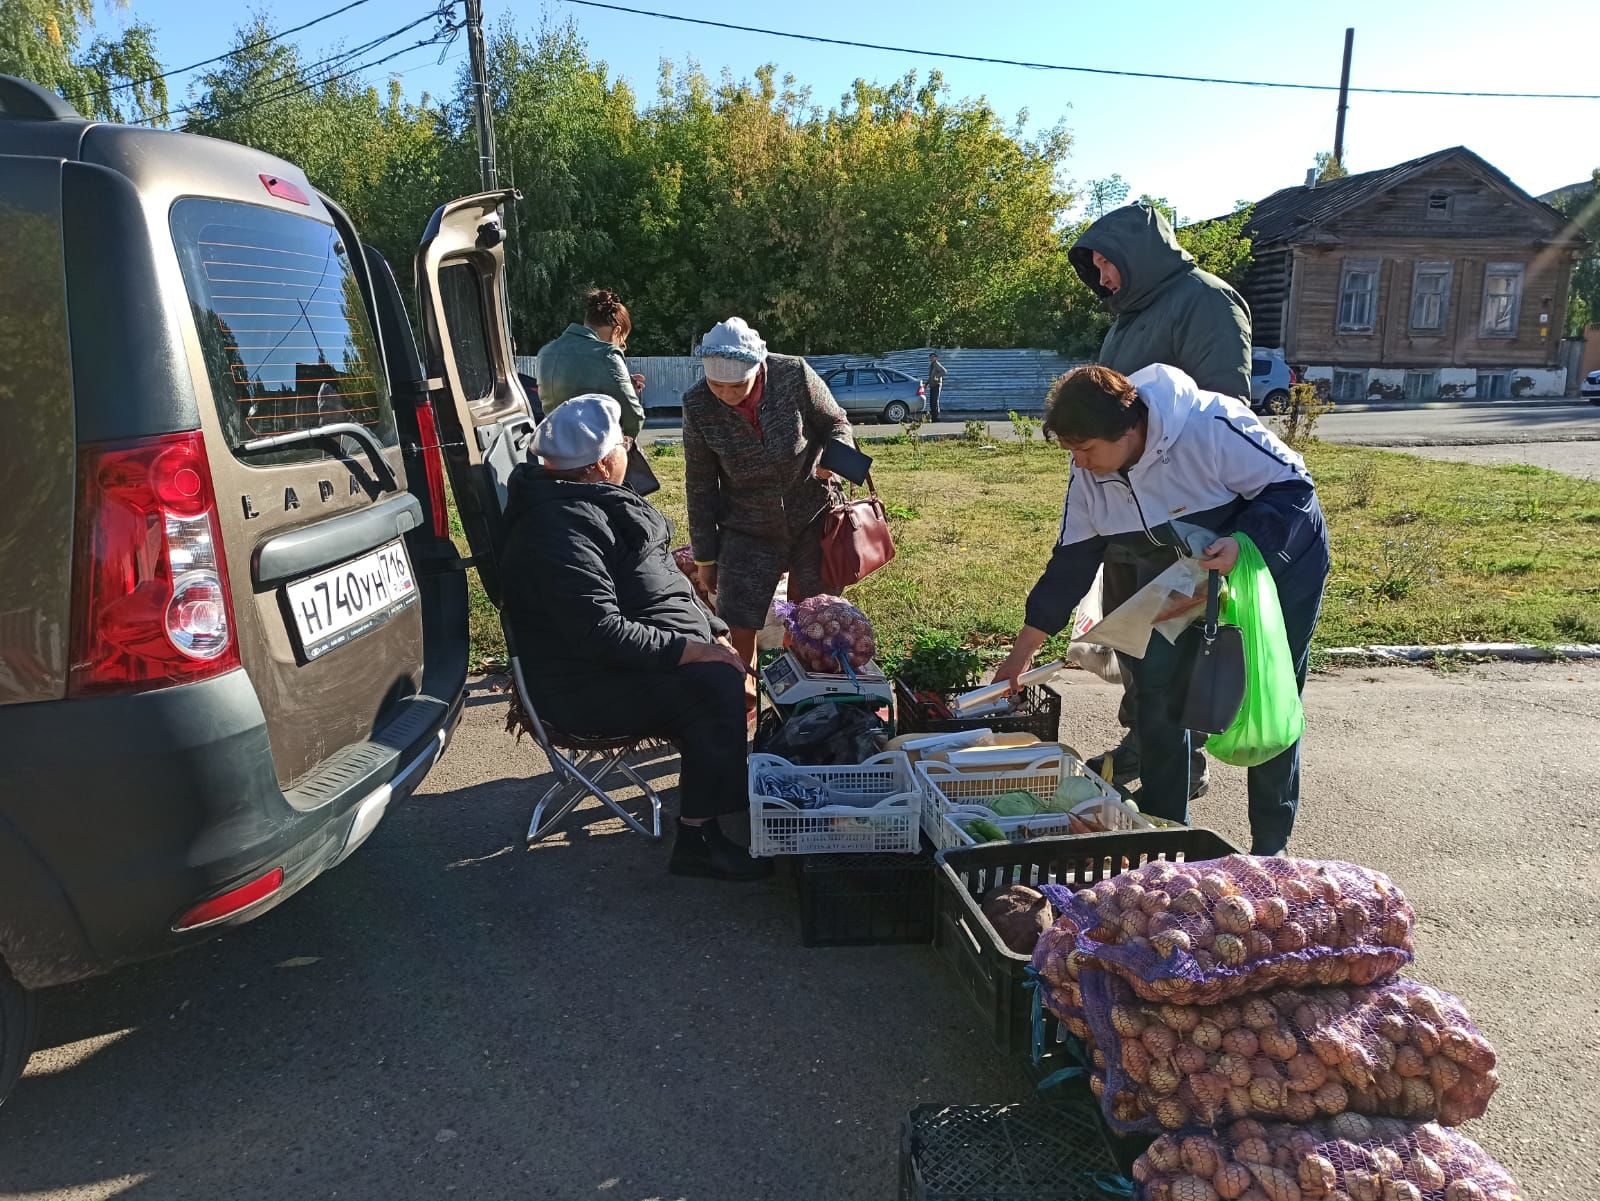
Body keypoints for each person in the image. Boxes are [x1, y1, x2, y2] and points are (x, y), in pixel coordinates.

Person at [993, 365, 1328, 855]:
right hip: (1182, 574)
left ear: (1129, 431)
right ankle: (1168, 836)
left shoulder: (1208, 425)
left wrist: (1246, 542)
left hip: (1273, 565)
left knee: (1268, 692)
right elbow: (1072, 561)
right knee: (1156, 691)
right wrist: (1020, 658)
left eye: (1086, 451)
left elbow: (1295, 488)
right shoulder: (1091, 470)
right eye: (1072, 452)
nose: (1080, 464)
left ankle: (1270, 847)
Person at [499, 394, 771, 881]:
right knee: (716, 686)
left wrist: (713, 632)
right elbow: (598, 631)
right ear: (603, 464)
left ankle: (716, 797)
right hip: (581, 686)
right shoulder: (557, 527)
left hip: (611, 666)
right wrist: (694, 650)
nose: (630, 448)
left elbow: (650, 582)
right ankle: (698, 838)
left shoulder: (583, 503)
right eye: (624, 442)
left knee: (725, 669)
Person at [1068, 201, 1254, 796]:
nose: (1101, 276)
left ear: (1137, 254)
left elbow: (1224, 409)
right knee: (1134, 640)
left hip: (1183, 514)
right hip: (1127, 510)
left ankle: (1181, 765)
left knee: (1174, 644)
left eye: (1106, 262)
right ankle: (1143, 743)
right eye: (1092, 265)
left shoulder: (1207, 301)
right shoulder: (1127, 316)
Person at [682, 317, 856, 700]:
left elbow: (836, 423)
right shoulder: (697, 404)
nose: (727, 395)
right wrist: (706, 557)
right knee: (737, 620)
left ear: (758, 368)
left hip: (812, 513)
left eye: (737, 386)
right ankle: (738, 703)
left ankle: (800, 703)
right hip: (746, 525)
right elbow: (699, 485)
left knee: (809, 618)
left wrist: (835, 457)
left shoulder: (792, 373)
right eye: (717, 386)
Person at [534, 288, 646, 437]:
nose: (621, 346)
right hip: (593, 452)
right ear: (617, 331)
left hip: (553, 447)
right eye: (622, 342)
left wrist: (625, 383)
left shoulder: (545, 352)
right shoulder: (607, 354)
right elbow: (634, 417)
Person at [927, 351, 947, 422]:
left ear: (936, 358)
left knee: (935, 401)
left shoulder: (937, 364)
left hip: (937, 384)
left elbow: (944, 371)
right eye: (930, 357)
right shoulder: (931, 365)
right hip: (932, 385)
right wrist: (926, 384)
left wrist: (937, 376)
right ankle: (933, 417)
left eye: (933, 357)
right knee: (932, 401)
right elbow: (930, 376)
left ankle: (936, 417)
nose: (931, 358)